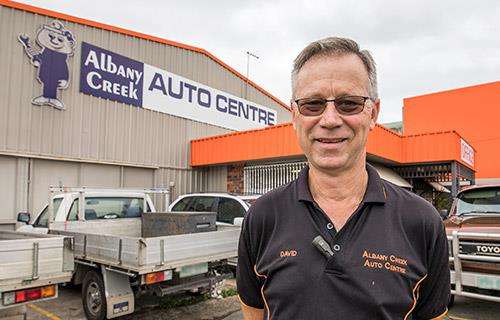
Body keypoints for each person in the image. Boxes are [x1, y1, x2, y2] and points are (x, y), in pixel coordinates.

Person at [236, 37, 450, 320]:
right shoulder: (263, 217)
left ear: (373, 113)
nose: (330, 119)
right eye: (312, 104)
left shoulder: (422, 222)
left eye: (348, 103)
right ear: (294, 116)